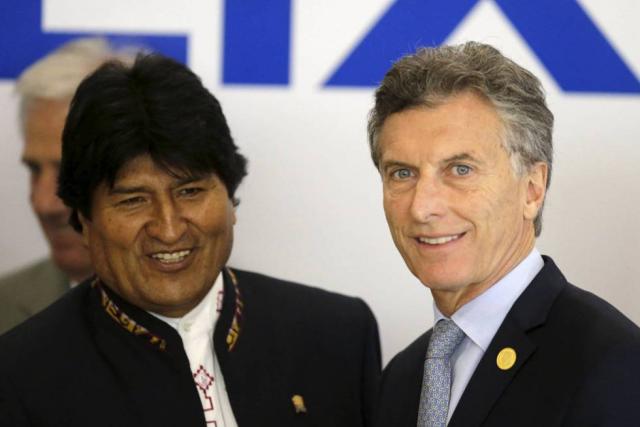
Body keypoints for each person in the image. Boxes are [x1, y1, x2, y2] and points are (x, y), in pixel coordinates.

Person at [0, 54, 380, 426]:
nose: (168, 229)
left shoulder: (337, 335)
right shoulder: (19, 375)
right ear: (85, 219)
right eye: (134, 200)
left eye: (190, 192)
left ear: (231, 198)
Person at [370, 42, 640, 426]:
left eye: (460, 170)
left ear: (532, 189)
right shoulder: (402, 379)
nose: (422, 207)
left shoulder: (614, 364)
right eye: (402, 173)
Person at [0, 39, 132, 334]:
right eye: (35, 170)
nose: (43, 203)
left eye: (69, 172)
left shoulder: (224, 314)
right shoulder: (4, 308)